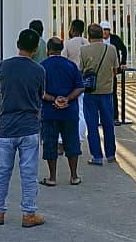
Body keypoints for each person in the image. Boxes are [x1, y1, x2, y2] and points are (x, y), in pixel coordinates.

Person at [0, 28, 46, 227]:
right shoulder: (39, 70)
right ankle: (29, 213)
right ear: (36, 48)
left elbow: (2, 90)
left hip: (6, 126)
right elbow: (40, 96)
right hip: (29, 126)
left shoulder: (4, 66)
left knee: (1, 171)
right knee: (29, 172)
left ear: (17, 44)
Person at [40, 35, 84, 185]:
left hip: (49, 112)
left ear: (48, 50)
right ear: (61, 49)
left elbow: (39, 91)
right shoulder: (71, 66)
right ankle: (74, 176)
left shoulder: (42, 67)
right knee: (72, 143)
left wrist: (54, 99)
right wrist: (67, 99)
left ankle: (52, 177)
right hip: (69, 111)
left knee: (50, 143)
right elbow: (80, 87)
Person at [79, 23, 120, 165]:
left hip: (90, 92)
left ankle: (96, 156)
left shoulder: (84, 50)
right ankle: (110, 154)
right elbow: (115, 70)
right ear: (102, 35)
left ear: (89, 36)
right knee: (108, 124)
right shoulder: (112, 49)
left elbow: (81, 70)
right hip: (107, 91)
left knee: (92, 125)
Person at [62, 18, 88, 147]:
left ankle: (62, 140)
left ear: (72, 29)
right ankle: (80, 136)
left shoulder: (67, 44)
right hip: (83, 79)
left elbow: (63, 61)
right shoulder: (87, 43)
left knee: (67, 107)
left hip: (70, 80)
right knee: (82, 109)